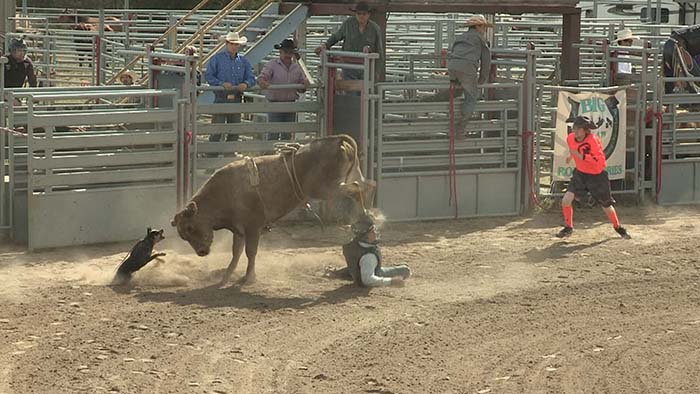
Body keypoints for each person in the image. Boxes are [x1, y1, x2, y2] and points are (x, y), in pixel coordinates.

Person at [556, 116, 631, 240]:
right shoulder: (570, 138)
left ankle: (618, 227)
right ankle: (568, 227)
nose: (576, 131)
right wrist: (571, 156)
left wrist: (580, 156)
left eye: (579, 129)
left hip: (597, 176)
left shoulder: (593, 141)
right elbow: (573, 149)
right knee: (566, 200)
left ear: (586, 130)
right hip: (580, 174)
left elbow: (599, 160)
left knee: (606, 205)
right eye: (575, 128)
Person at [205, 31, 256, 142]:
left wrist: (246, 83)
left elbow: (252, 78)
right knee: (217, 130)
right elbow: (208, 76)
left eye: (236, 44)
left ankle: (229, 154)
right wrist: (221, 84)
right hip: (221, 98)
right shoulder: (217, 59)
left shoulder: (244, 62)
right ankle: (212, 154)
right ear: (227, 44)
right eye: (231, 44)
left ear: (238, 45)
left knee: (234, 130)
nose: (233, 46)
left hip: (237, 99)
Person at [314, 1, 383, 81]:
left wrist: (377, 72)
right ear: (355, 14)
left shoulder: (375, 29)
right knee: (352, 91)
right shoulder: (348, 24)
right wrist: (325, 45)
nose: (361, 16)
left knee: (364, 90)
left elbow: (379, 51)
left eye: (364, 14)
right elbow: (336, 37)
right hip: (349, 66)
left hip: (367, 67)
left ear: (368, 14)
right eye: (359, 14)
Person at [447, 15, 492, 132]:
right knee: (472, 97)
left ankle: (431, 101)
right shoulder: (480, 39)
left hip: (452, 67)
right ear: (478, 26)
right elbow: (486, 60)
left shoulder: (460, 37)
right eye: (484, 27)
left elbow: (453, 52)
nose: (485, 30)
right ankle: (461, 127)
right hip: (467, 69)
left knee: (456, 91)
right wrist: (482, 78)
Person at [258, 39, 309, 141]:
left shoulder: (296, 68)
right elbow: (261, 78)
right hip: (275, 103)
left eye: (290, 52)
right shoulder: (272, 65)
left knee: (287, 134)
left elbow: (301, 88)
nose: (288, 55)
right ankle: (272, 154)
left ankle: (284, 156)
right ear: (280, 52)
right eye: (286, 52)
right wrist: (262, 81)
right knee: (274, 133)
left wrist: (304, 85)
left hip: (290, 104)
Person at [342, 213, 411, 288]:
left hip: (356, 271)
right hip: (372, 274)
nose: (375, 233)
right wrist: (390, 281)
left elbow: (357, 265)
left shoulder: (354, 244)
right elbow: (367, 280)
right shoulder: (369, 256)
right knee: (405, 270)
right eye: (372, 232)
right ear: (365, 236)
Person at [662, 24, 700, 94]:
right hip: (677, 46)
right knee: (694, 79)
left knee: (670, 79)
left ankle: (668, 100)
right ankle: (689, 100)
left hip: (671, 44)